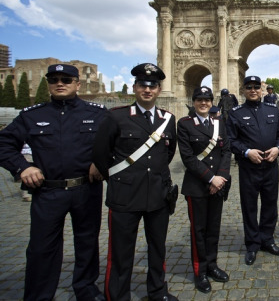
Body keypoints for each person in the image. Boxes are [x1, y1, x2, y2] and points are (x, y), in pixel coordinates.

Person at [0, 64, 107, 301]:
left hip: (85, 189)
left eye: (66, 79)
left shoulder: (97, 113)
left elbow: (117, 142)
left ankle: (86, 288)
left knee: (87, 242)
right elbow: (4, 144)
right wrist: (23, 167)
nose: (60, 83)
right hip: (47, 191)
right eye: (54, 79)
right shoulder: (32, 115)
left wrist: (102, 162)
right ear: (48, 84)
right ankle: (39, 295)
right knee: (41, 248)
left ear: (77, 84)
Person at [92, 63, 178, 301]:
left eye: (153, 86)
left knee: (157, 248)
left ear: (159, 89)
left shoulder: (167, 119)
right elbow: (100, 155)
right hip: (125, 195)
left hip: (158, 195)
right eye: (143, 85)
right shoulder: (116, 116)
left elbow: (168, 154)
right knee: (120, 252)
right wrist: (121, 179)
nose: (147, 90)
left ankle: (157, 291)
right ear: (135, 87)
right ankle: (118, 296)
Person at [226, 75, 279, 265]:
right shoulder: (235, 113)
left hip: (270, 166)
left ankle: (267, 240)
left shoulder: (272, 109)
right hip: (248, 168)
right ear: (244, 90)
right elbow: (230, 140)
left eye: (256, 87)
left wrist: (278, 148)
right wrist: (246, 152)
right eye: (249, 87)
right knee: (249, 207)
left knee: (270, 205)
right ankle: (252, 244)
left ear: (261, 90)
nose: (253, 90)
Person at [177, 86, 231, 293]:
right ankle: (199, 271)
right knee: (198, 230)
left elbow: (226, 151)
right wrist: (210, 178)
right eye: (199, 99)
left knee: (213, 228)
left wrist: (221, 178)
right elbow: (187, 157)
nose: (203, 103)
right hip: (197, 186)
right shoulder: (184, 124)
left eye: (207, 100)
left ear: (211, 102)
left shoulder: (219, 123)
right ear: (194, 102)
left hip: (217, 184)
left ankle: (212, 265)